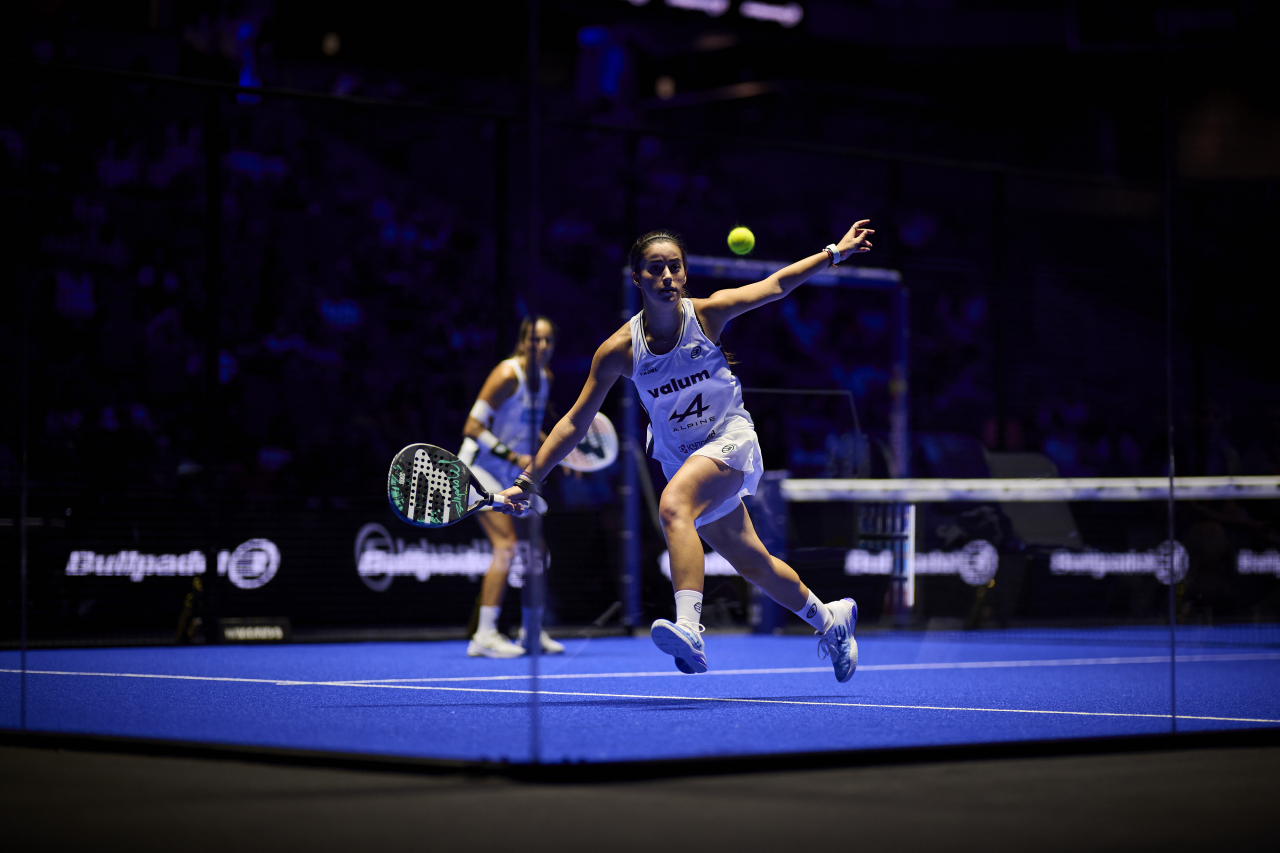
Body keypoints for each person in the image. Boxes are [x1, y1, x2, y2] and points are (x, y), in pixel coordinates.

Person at [497, 222, 874, 680]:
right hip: (682, 457)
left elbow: (775, 285)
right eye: (655, 270)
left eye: (674, 267)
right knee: (753, 562)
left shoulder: (709, 315)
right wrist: (527, 479)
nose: (667, 277)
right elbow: (576, 421)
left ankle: (690, 631)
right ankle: (831, 621)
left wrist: (833, 252)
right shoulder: (619, 351)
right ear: (637, 279)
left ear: (685, 274)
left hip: (729, 439)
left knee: (673, 506)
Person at [458, 316, 566, 658]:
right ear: (522, 343)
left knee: (537, 550)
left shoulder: (545, 379)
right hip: (477, 470)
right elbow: (472, 427)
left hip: (510, 473)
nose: (542, 347)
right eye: (535, 340)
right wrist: (513, 456)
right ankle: (484, 635)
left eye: (548, 341)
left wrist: (556, 449)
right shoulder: (506, 375)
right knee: (505, 545)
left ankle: (532, 634)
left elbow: (527, 429)